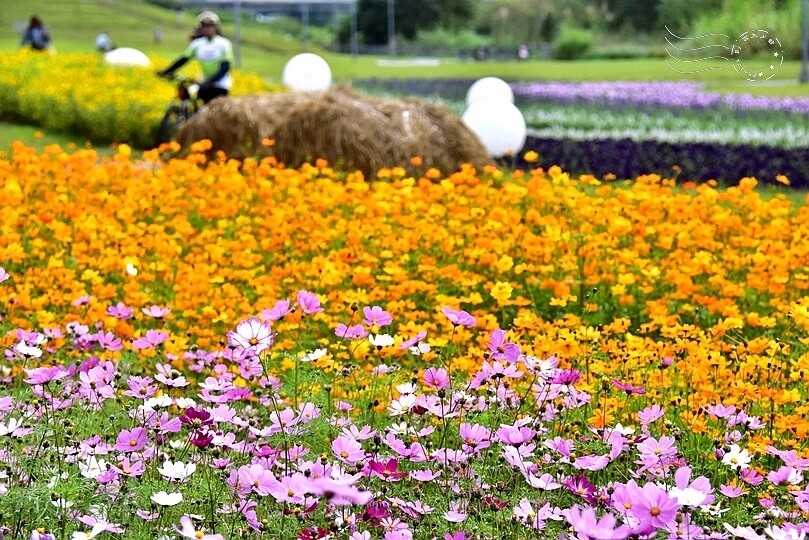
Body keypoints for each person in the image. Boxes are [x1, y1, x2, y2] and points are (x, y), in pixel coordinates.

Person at [157, 11, 233, 104]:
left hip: (220, 85)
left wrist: (211, 81)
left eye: (210, 26)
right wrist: (167, 71)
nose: (207, 28)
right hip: (204, 84)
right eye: (204, 26)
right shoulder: (197, 44)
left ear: (215, 27)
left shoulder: (223, 43)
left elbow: (225, 66)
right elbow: (183, 59)